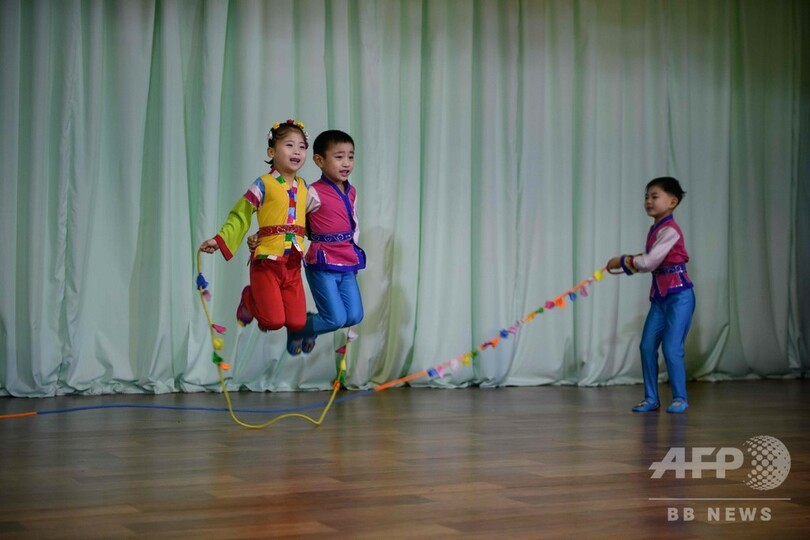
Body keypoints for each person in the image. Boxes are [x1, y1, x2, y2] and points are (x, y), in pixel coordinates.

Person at [249, 129, 366, 357]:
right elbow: (289, 219)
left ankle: (307, 325)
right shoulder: (312, 192)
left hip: (347, 260)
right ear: (319, 161)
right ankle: (299, 329)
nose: (346, 163)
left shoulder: (351, 191)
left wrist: (354, 252)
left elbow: (354, 222)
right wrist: (262, 236)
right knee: (335, 319)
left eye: (350, 157)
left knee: (354, 316)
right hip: (322, 262)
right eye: (339, 157)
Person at [200, 119, 309, 354]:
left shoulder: (304, 187)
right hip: (266, 263)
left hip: (292, 264)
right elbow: (241, 214)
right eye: (289, 145)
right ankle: (249, 298)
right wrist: (219, 240)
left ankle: (280, 314)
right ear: (272, 152)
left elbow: (311, 221)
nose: (297, 151)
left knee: (298, 322)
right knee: (273, 322)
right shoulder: (263, 184)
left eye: (302, 147)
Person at [606, 177, 695, 414]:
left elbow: (649, 262)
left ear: (672, 202)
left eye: (655, 196)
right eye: (646, 196)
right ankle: (651, 399)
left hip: (680, 296)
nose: (648, 201)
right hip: (660, 298)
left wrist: (623, 260)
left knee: (672, 348)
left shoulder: (670, 231)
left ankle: (680, 398)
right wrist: (626, 263)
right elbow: (650, 261)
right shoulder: (656, 229)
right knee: (647, 346)